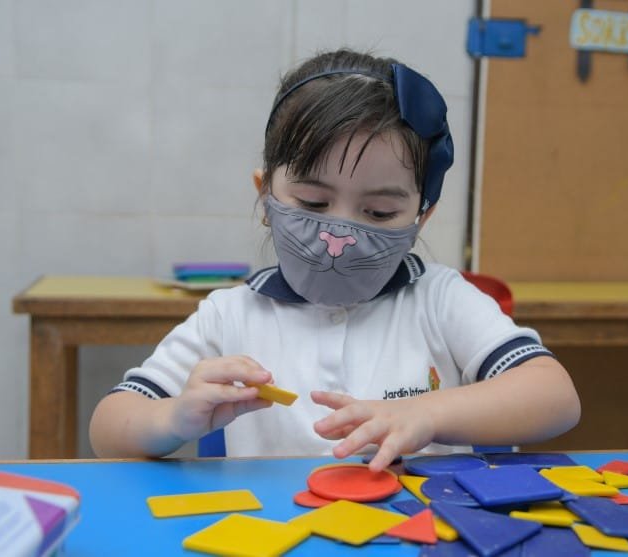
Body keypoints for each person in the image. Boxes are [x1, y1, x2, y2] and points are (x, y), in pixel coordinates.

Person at [89, 49, 580, 471]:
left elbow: (555, 397)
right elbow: (108, 427)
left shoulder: (441, 299)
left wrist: (427, 415)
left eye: (380, 211)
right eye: (312, 203)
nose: (337, 236)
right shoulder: (228, 316)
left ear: (420, 219)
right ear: (266, 196)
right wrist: (173, 420)